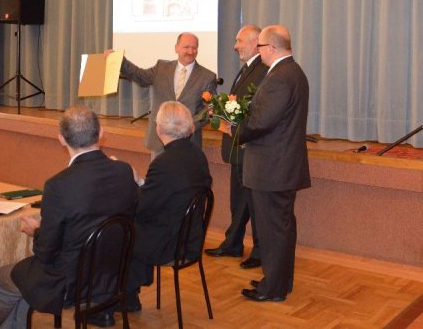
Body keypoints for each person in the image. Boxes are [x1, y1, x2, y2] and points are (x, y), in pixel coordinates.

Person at [0, 106, 138, 329]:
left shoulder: (58, 185)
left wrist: (36, 231)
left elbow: (45, 252)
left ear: (61, 139)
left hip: (70, 283)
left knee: (1, 277)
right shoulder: (124, 171)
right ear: (101, 133)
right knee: (23, 278)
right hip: (113, 275)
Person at [228, 25, 310, 302]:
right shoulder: (292, 72)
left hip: (271, 169)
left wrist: (233, 129)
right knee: (281, 229)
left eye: (260, 46)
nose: (258, 51)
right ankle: (279, 281)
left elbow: (261, 122)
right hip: (279, 166)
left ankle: (273, 289)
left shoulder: (280, 77)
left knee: (273, 230)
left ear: (271, 48)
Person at [124, 101, 213, 309]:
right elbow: (168, 193)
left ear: (159, 129)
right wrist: (141, 183)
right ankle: (129, 294)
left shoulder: (164, 163)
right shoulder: (196, 154)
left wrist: (132, 185)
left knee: (118, 229)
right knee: (133, 227)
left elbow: (142, 207)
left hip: (171, 242)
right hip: (190, 236)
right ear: (189, 127)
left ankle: (118, 298)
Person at [204, 25, 268, 269]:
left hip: (248, 147)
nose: (235, 46)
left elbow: (253, 109)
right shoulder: (249, 68)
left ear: (255, 42)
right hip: (239, 147)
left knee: (254, 203)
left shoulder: (262, 69)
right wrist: (219, 110)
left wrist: (225, 111)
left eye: (239, 41)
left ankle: (259, 252)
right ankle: (233, 243)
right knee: (239, 201)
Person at [116, 32, 217, 157]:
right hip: (159, 140)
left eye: (194, 48)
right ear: (176, 48)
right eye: (186, 47)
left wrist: (190, 126)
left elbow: (209, 109)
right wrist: (120, 61)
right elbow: (139, 76)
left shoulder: (208, 76)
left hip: (188, 141)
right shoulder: (161, 67)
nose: (190, 51)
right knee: (158, 170)